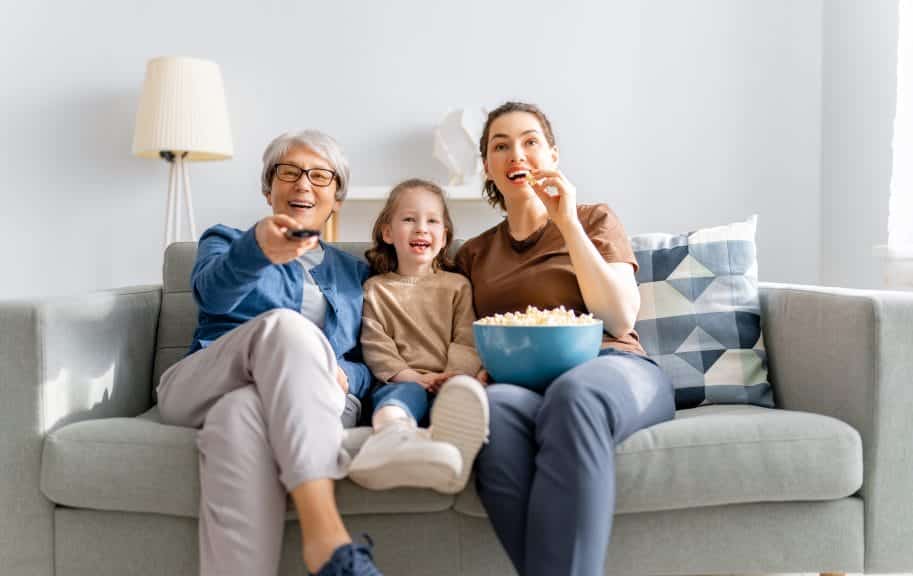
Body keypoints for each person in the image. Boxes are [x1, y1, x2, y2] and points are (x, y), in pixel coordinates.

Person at [455, 102, 676, 576]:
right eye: (501, 145)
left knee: (574, 396)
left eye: (531, 141)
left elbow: (618, 316)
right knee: (491, 412)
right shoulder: (473, 255)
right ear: (488, 168)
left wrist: (567, 223)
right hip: (523, 388)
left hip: (615, 370)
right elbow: (467, 338)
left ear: (553, 155)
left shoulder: (594, 220)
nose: (518, 154)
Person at [156, 130, 383, 576]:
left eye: (321, 176)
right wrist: (256, 250)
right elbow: (213, 295)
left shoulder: (356, 272)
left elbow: (373, 362)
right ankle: (327, 537)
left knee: (239, 416)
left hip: (305, 403)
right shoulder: (226, 240)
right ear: (268, 188)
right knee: (285, 327)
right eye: (289, 172)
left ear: (337, 197)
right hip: (204, 383)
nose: (304, 184)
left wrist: (345, 375)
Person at [349, 178, 488, 494]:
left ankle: (449, 448)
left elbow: (466, 337)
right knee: (399, 400)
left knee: (463, 399)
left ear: (444, 237)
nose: (421, 228)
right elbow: (375, 343)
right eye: (409, 219)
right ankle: (390, 438)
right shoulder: (376, 290)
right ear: (388, 233)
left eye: (432, 221)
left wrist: (451, 376)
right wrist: (410, 376)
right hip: (402, 382)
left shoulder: (457, 286)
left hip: (450, 383)